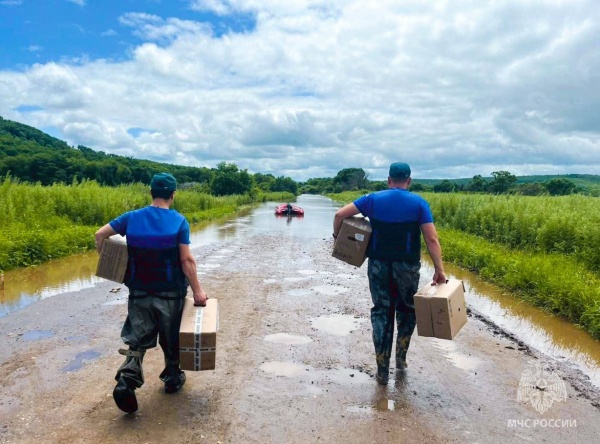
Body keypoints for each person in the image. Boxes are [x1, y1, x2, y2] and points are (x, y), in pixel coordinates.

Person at [95, 172, 208, 413]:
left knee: (137, 339)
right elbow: (186, 260)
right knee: (171, 339)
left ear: (151, 193)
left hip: (139, 293)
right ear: (173, 195)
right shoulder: (179, 221)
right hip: (170, 295)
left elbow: (100, 234)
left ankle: (127, 380)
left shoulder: (131, 218)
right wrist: (198, 291)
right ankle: (172, 379)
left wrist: (106, 258)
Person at [332, 162, 446, 385]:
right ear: (409, 181)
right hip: (407, 268)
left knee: (382, 312)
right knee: (406, 310)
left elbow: (339, 215)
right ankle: (401, 359)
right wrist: (439, 270)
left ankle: (382, 369)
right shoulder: (419, 203)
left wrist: (338, 238)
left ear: (388, 179)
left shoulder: (372, 199)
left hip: (378, 266)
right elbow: (431, 239)